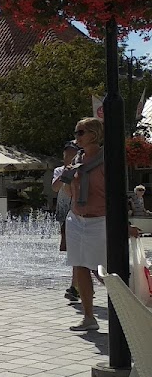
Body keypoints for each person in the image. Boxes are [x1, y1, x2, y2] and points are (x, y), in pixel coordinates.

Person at [62, 117, 141, 332]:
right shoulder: (77, 159)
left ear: (94, 134)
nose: (76, 136)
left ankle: (133, 309)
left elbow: (116, 196)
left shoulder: (107, 160)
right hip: (76, 219)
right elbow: (68, 192)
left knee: (103, 270)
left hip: (100, 220)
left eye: (81, 132)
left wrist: (125, 226)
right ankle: (89, 317)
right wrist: (67, 177)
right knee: (80, 267)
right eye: (76, 132)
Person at [51, 141, 82, 301]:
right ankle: (79, 285)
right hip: (65, 215)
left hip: (79, 214)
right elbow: (55, 188)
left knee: (78, 252)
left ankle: (76, 286)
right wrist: (65, 173)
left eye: (72, 154)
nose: (69, 157)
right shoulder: (59, 170)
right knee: (73, 252)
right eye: (66, 154)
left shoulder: (82, 169)